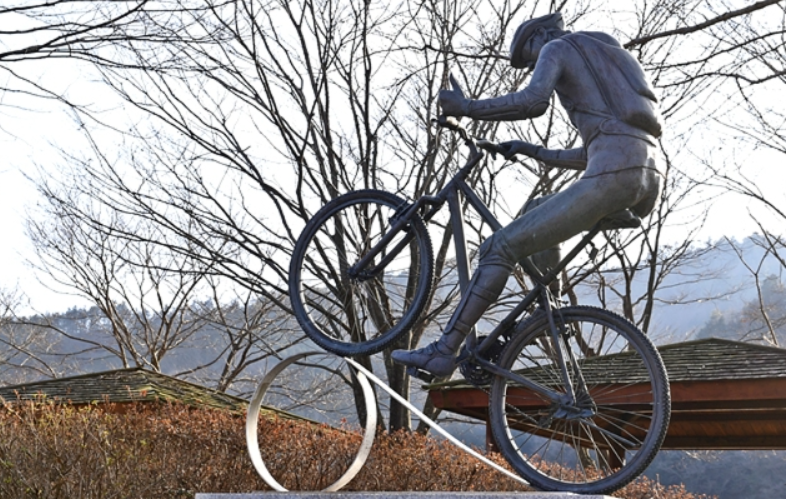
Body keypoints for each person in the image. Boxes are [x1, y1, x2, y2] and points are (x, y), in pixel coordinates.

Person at [391, 12, 664, 378]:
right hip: (646, 177)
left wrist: (466, 108)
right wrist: (531, 150)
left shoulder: (558, 46)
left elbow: (533, 102)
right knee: (536, 208)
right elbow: (596, 152)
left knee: (497, 248)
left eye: (530, 58)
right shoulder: (609, 57)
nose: (535, 65)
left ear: (539, 37)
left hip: (613, 175)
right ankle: (548, 310)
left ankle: (443, 351)